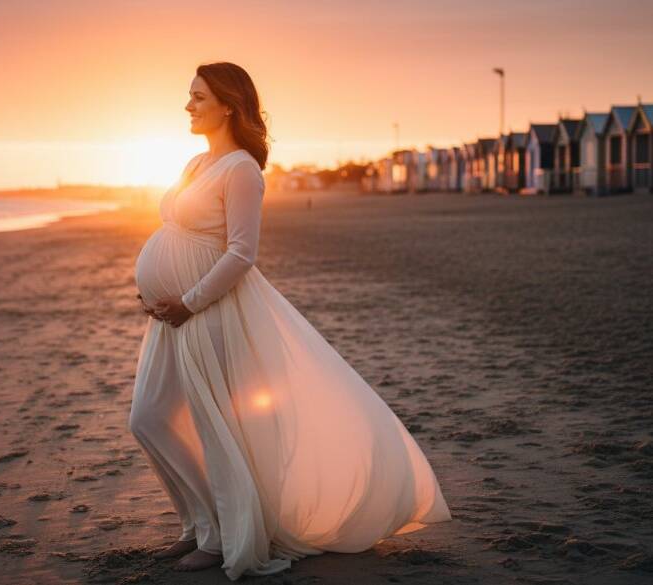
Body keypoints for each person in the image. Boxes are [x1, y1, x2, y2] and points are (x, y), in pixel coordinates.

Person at [129, 61, 451, 581]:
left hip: (206, 311)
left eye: (198, 97)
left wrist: (188, 299)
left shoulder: (241, 170)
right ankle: (199, 523)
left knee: (215, 427)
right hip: (168, 316)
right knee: (147, 418)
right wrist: (155, 283)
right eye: (188, 96)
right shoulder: (194, 162)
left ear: (228, 105)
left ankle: (218, 536)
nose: (188, 106)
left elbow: (241, 254)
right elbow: (177, 232)